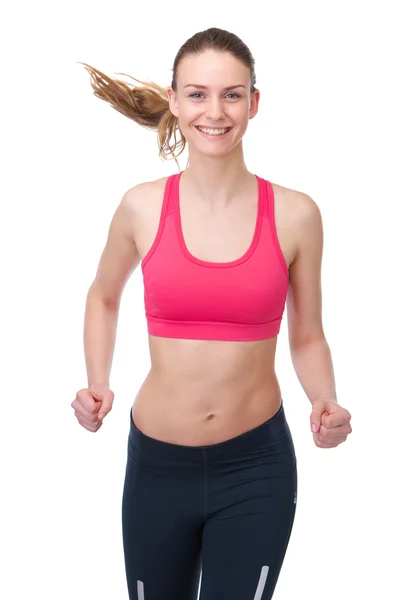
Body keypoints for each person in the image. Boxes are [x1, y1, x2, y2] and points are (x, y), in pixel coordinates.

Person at [71, 27, 352, 600]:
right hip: (157, 468)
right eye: (197, 94)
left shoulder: (297, 215)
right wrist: (97, 382)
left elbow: (307, 335)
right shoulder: (141, 207)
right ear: (174, 100)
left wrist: (324, 399)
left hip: (256, 467)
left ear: (253, 102)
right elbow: (103, 295)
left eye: (231, 94)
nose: (214, 111)